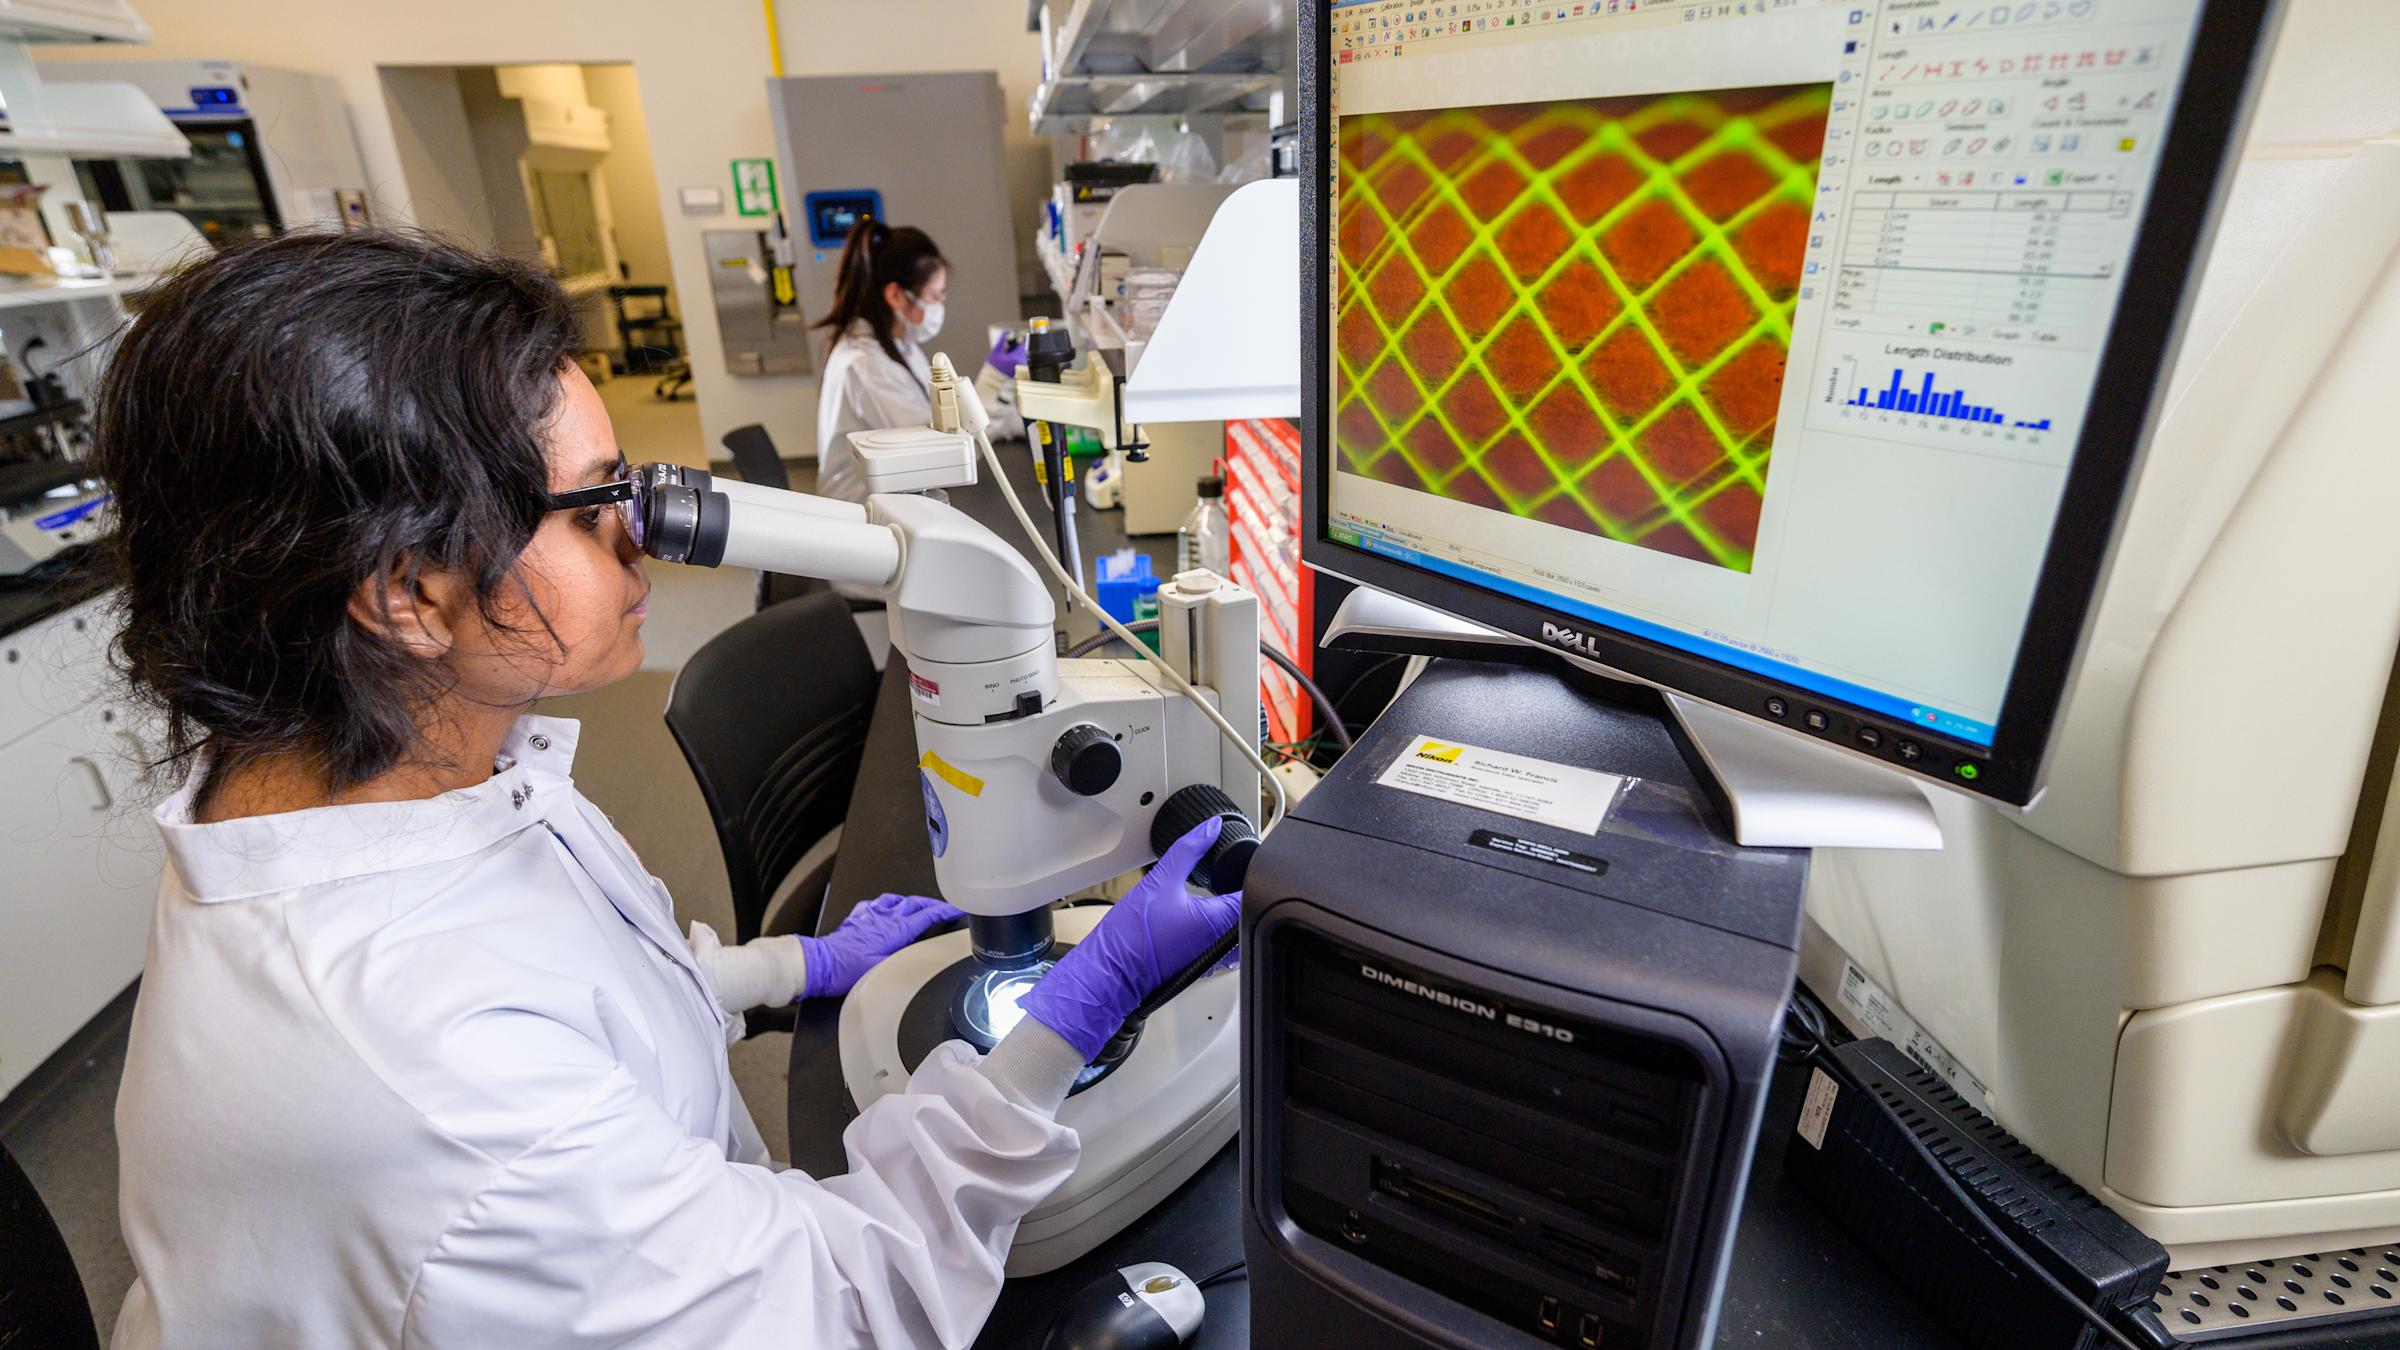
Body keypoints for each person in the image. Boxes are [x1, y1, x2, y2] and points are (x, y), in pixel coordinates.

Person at [93, 230, 1241, 1349]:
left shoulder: (375, 776)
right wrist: (1055, 1036)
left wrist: (775, 968)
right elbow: (839, 1306)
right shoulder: (434, 1087)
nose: (639, 543)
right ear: (412, 597)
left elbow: (563, 987)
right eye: (591, 510)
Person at [814, 217, 946, 503]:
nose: (940, 307)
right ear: (896, 295)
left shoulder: (899, 345)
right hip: (858, 519)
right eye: (935, 296)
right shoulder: (865, 363)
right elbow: (933, 453)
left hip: (888, 498)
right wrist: (991, 387)